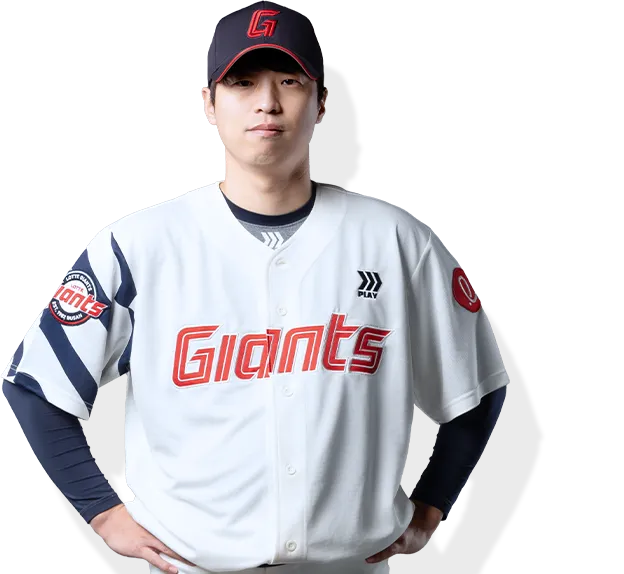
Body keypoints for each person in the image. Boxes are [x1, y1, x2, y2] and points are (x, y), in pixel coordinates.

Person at [1, 1, 509, 573]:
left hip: (349, 567)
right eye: (242, 82)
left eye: (289, 81)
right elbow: (36, 385)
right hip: (191, 568)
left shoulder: (395, 242)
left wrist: (432, 507)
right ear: (208, 105)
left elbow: (479, 385)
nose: (267, 101)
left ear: (321, 103)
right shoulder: (140, 246)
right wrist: (102, 513)